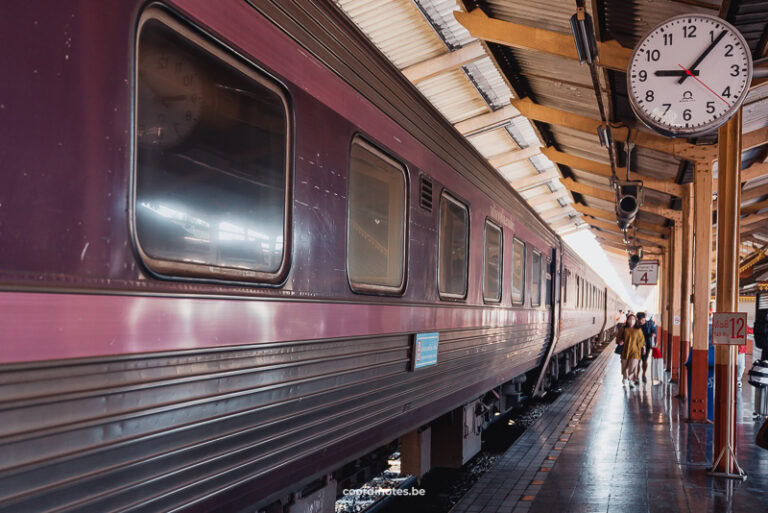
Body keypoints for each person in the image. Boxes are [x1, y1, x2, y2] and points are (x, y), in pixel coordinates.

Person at [622, 314, 645, 389]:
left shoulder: (638, 330)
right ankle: (625, 378)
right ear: (627, 320)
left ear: (636, 320)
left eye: (633, 319)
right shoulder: (624, 329)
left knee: (633, 366)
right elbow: (618, 337)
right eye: (630, 319)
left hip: (635, 351)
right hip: (625, 350)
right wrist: (620, 341)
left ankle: (631, 381)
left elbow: (642, 340)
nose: (631, 320)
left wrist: (642, 347)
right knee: (624, 366)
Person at [637, 312, 657, 384]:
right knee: (637, 361)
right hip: (637, 345)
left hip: (647, 345)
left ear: (645, 318)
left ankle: (644, 374)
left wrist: (653, 333)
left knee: (644, 361)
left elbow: (654, 330)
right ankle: (636, 376)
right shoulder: (636, 325)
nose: (641, 321)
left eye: (642, 320)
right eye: (639, 320)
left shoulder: (649, 324)